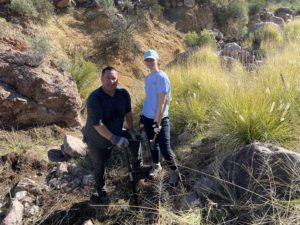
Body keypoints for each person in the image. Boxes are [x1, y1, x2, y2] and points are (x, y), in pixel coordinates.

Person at [83, 66, 143, 203]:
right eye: (108, 78)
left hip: (116, 132)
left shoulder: (123, 94)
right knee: (100, 165)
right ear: (101, 79)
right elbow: (98, 124)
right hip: (97, 139)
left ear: (118, 80)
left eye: (114, 78)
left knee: (135, 141)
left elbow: (128, 113)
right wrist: (114, 139)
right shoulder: (95, 98)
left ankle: (137, 166)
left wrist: (131, 129)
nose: (111, 81)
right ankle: (101, 188)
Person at [141, 49, 179, 186]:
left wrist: (157, 121)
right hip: (147, 116)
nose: (149, 62)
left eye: (152, 59)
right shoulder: (148, 78)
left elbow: (162, 102)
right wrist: (143, 115)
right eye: (147, 60)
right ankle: (156, 165)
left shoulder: (161, 77)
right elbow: (149, 98)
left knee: (165, 148)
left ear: (157, 60)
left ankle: (174, 171)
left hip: (160, 119)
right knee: (152, 143)